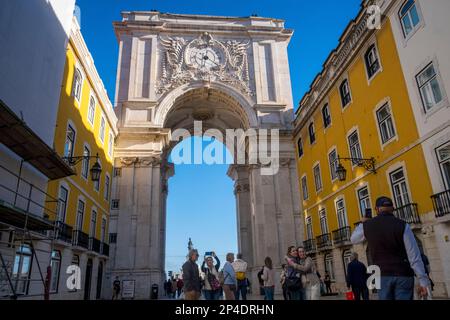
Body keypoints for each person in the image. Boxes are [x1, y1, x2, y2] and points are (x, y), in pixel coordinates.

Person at [351, 196, 430, 300]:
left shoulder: (368, 226)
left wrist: (364, 223)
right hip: (403, 275)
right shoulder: (403, 225)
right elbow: (414, 256)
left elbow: (353, 239)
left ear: (377, 209)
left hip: (382, 275)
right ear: (393, 208)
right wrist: (423, 281)